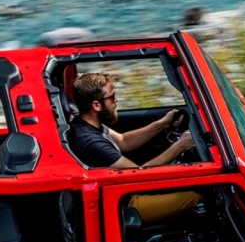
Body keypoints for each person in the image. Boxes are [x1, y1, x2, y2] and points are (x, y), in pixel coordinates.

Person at [67, 73, 202, 222]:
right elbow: (138, 174)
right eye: (111, 97)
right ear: (96, 105)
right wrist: (180, 146)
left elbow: (124, 141)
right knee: (196, 198)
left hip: (123, 191)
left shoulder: (87, 123)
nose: (116, 100)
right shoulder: (91, 142)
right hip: (125, 201)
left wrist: (162, 123)